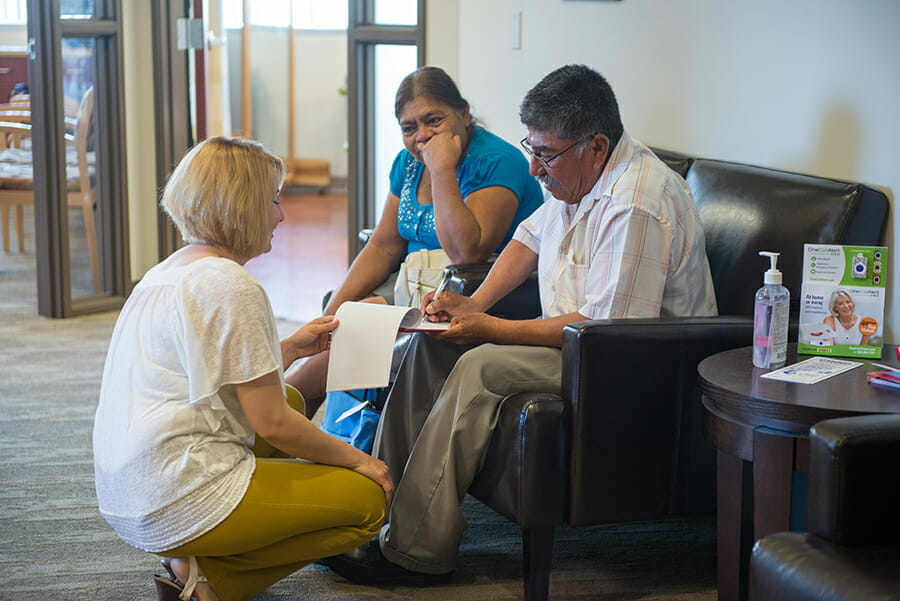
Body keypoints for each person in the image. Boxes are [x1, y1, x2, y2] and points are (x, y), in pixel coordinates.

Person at [318, 64, 718, 583]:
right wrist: (474, 306)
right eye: (531, 150)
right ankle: (373, 516)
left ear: (595, 147)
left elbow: (607, 331)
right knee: (431, 346)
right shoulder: (578, 176)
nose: (534, 169)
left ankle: (415, 550)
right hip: (580, 344)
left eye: (544, 155)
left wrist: (490, 329)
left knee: (481, 365)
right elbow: (528, 238)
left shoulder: (637, 202)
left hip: (633, 361)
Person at [92, 137, 393, 601]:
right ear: (245, 205)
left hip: (129, 488)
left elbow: (210, 360)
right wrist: (361, 460)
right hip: (176, 495)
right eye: (274, 200)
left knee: (290, 395)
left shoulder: (171, 271)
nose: (281, 215)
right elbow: (272, 423)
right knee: (368, 502)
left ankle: (190, 565)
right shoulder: (232, 284)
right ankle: (212, 584)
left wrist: (291, 346)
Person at [286, 66, 544, 415]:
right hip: (410, 283)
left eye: (433, 120)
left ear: (464, 114)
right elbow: (383, 244)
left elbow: (468, 253)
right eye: (409, 128)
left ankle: (278, 412)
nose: (421, 136)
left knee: (355, 335)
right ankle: (298, 428)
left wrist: (441, 169)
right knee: (340, 319)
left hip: (469, 290)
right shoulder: (407, 163)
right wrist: (327, 319)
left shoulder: (498, 161)